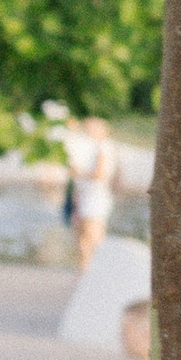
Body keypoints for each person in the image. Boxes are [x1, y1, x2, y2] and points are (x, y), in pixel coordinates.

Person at [65, 113, 118, 270]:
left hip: (95, 196)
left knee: (93, 235)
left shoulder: (103, 147)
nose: (88, 130)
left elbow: (100, 174)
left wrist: (79, 173)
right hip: (88, 195)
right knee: (83, 235)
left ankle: (96, 271)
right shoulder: (95, 147)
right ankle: (85, 270)